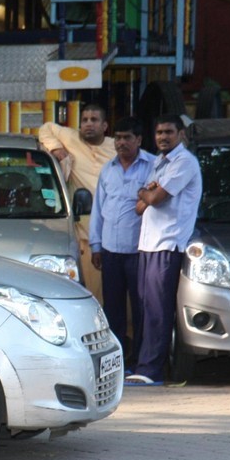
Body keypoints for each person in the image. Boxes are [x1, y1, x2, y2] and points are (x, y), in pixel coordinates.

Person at [125, 114, 203, 387]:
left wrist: (148, 192)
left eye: (169, 132)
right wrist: (148, 193)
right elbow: (140, 203)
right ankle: (142, 366)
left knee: (158, 310)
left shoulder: (184, 162)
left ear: (180, 134)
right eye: (159, 133)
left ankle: (152, 371)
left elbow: (154, 199)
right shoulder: (159, 163)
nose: (163, 137)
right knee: (145, 308)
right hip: (148, 244)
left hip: (168, 244)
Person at [89, 116, 156, 364]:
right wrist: (96, 245)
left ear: (138, 140)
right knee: (113, 310)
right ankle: (116, 363)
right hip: (110, 251)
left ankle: (140, 360)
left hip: (140, 251)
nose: (121, 142)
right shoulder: (108, 169)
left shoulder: (152, 165)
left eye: (127, 137)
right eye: (118, 137)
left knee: (141, 309)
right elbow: (98, 210)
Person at [39, 104, 117, 294]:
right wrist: (57, 149)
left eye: (94, 120)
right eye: (84, 120)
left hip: (116, 228)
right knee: (92, 290)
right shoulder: (71, 138)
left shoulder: (116, 147)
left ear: (105, 126)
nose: (88, 124)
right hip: (85, 231)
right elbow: (46, 128)